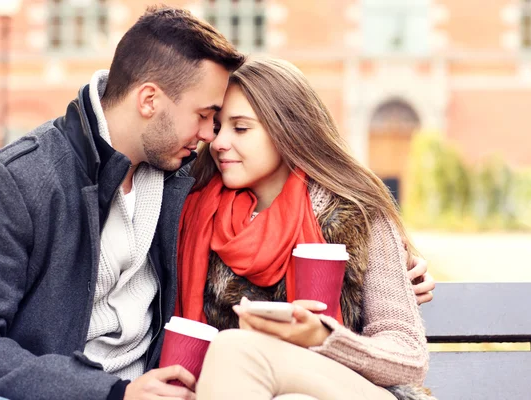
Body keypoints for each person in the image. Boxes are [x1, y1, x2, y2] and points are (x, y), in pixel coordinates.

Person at [0, 6, 244, 400]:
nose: (210, 134)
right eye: (204, 115)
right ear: (148, 100)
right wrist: (112, 393)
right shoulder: (19, 180)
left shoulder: (183, 172)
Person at [175, 58, 435, 400]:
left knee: (234, 349)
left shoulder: (355, 212)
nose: (219, 142)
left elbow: (408, 356)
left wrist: (321, 337)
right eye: (219, 126)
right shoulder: (197, 213)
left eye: (241, 128)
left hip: (357, 389)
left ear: (288, 130)